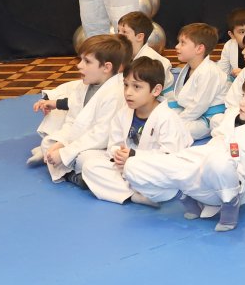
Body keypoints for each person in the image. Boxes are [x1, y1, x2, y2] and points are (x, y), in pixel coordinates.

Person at [125, 69, 245, 232]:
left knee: (218, 161)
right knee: (133, 166)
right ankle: (182, 195)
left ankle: (230, 205)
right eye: (243, 96)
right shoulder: (233, 114)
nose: (242, 102)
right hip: (198, 163)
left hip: (232, 180)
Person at [76, 57, 188, 205]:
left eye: (136, 87)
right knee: (89, 165)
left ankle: (123, 190)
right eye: (126, 85)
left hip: (153, 175)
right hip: (126, 170)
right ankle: (133, 196)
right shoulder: (123, 114)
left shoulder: (167, 118)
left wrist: (134, 156)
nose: (128, 92)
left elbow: (171, 159)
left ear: (156, 90)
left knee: (162, 188)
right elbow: (114, 146)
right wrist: (119, 154)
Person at [30, 34, 130, 184]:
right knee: (48, 143)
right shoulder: (84, 85)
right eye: (81, 59)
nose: (79, 65)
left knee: (85, 160)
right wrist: (62, 143)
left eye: (87, 61)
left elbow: (101, 136)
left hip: (102, 146)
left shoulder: (115, 93)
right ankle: (74, 174)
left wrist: (65, 153)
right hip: (80, 139)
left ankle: (72, 175)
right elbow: (71, 120)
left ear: (106, 67)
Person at [166, 22, 229, 140]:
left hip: (208, 118)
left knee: (173, 131)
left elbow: (199, 106)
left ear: (199, 49)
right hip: (192, 114)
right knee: (160, 116)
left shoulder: (209, 72)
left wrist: (177, 121)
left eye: (182, 43)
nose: (177, 46)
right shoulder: (190, 67)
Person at [115, 11, 171, 75]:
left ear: (140, 37)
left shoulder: (154, 62)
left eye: (124, 32)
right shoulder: (120, 56)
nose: (119, 35)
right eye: (118, 31)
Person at [219, 7, 245, 79]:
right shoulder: (229, 46)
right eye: (242, 32)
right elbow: (222, 73)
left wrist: (244, 75)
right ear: (232, 35)